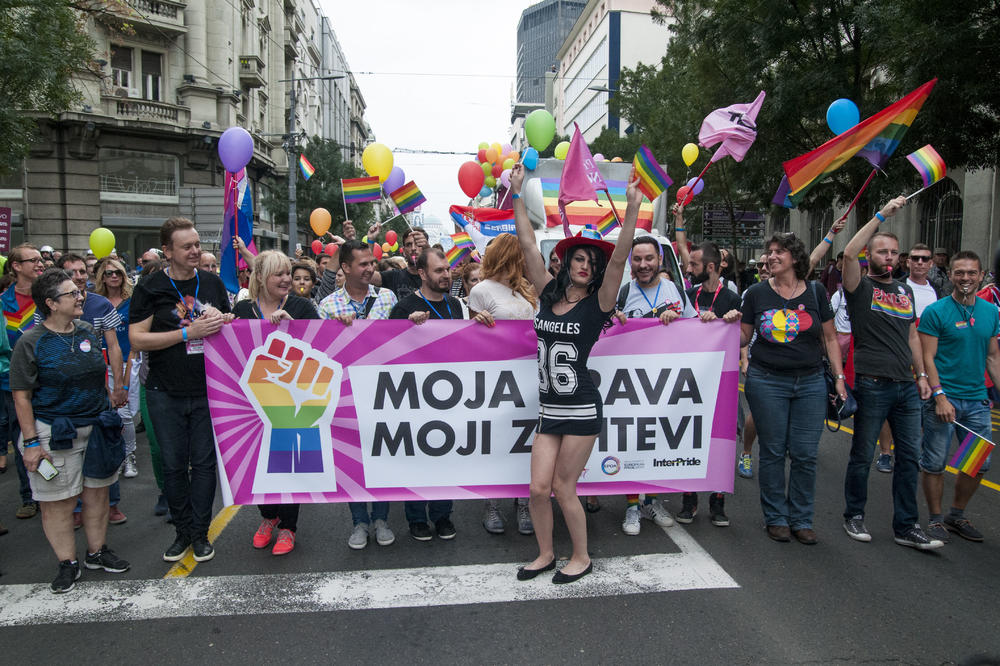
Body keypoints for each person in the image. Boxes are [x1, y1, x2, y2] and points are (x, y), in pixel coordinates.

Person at [509, 162, 638, 584]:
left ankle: (580, 556)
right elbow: (527, 245)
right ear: (566, 263)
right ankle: (546, 553)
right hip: (549, 407)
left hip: (581, 407)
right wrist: (516, 194)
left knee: (565, 488)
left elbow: (619, 257)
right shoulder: (547, 292)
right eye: (578, 258)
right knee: (535, 491)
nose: (585, 264)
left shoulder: (598, 303)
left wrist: (633, 209)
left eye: (590, 261)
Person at [11, 268, 131, 593]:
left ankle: (96, 552)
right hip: (53, 433)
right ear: (51, 303)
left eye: (79, 292)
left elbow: (97, 375)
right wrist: (32, 443)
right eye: (72, 294)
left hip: (95, 428)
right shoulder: (31, 342)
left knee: (97, 494)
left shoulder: (88, 331)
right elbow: (21, 396)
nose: (81, 296)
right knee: (58, 502)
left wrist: (108, 411)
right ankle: (67, 562)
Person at [839, 198, 941, 550]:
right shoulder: (860, 286)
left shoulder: (904, 291)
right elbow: (849, 254)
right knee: (863, 454)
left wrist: (924, 376)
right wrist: (881, 216)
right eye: (882, 251)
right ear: (871, 254)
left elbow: (912, 335)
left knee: (909, 457)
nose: (889, 257)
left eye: (894, 252)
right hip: (872, 384)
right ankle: (853, 515)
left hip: (906, 388)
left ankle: (906, 525)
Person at [130, 217, 232, 563]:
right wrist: (188, 334)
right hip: (164, 390)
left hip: (208, 389)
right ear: (168, 251)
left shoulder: (213, 283)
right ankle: (182, 532)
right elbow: (137, 338)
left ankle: (200, 534)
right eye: (186, 246)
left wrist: (223, 320)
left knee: (203, 465)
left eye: (197, 244)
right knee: (174, 465)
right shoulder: (151, 287)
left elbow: (228, 328)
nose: (195, 250)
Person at [740, 232, 845, 545]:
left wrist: (839, 378)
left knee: (804, 454)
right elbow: (743, 337)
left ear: (795, 259)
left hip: (811, 383)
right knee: (772, 451)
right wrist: (721, 324)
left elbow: (829, 339)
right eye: (769, 252)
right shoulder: (757, 293)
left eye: (779, 252)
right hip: (766, 380)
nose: (771, 257)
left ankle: (801, 519)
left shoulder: (815, 293)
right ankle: (776, 518)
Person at [233, 251, 318, 555]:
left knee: (288, 463)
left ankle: (288, 527)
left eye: (288, 273)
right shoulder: (243, 309)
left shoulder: (302, 306)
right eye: (278, 274)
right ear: (260, 278)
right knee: (257, 463)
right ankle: (268, 517)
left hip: (291, 400)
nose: (286, 280)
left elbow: (320, 347)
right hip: (253, 402)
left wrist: (292, 327)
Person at [613, 234, 697, 534]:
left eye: (649, 259)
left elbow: (695, 327)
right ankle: (633, 506)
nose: (643, 264)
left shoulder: (674, 289)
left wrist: (682, 320)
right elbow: (607, 336)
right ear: (631, 263)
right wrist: (617, 321)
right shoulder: (623, 294)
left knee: (657, 443)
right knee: (633, 443)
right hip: (631, 386)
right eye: (637, 259)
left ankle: (652, 501)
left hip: (666, 384)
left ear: (659, 260)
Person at [318, 240, 398, 549]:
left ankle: (381, 518)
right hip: (346, 396)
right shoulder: (328, 307)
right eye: (362, 264)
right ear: (346, 268)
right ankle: (359, 522)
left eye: (371, 263)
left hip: (385, 393)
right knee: (352, 460)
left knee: (382, 457)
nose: (369, 268)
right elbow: (321, 352)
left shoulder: (388, 299)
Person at [919, 250, 1000, 543]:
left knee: (976, 464)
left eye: (971, 273)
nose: (965, 278)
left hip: (977, 401)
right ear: (950, 275)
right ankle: (936, 518)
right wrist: (939, 397)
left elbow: (993, 357)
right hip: (943, 400)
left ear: (981, 276)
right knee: (935, 462)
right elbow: (928, 358)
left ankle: (957, 514)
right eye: (959, 272)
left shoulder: (991, 312)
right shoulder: (936, 312)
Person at [388, 247, 467, 541]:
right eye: (438, 270)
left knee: (445, 457)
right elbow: (387, 351)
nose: (445, 275)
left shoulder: (455, 306)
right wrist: (408, 328)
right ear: (422, 274)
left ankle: (443, 515)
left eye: (447, 269)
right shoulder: (403, 307)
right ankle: (417, 518)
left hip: (449, 397)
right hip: (414, 398)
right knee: (417, 459)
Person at [466, 233, 538, 536]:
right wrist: (476, 322)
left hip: (528, 377)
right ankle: (492, 502)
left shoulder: (523, 290)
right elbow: (469, 339)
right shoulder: (481, 290)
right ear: (509, 256)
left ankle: (524, 502)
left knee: (526, 442)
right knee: (495, 442)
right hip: (495, 379)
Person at [672, 241, 744, 527]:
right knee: (689, 437)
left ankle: (718, 502)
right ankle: (689, 501)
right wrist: (674, 318)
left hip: (721, 382)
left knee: (719, 439)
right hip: (691, 381)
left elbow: (742, 339)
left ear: (711, 268)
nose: (688, 269)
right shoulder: (688, 295)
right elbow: (677, 331)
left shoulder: (732, 300)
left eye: (694, 265)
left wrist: (731, 322)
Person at [57, 254, 129, 526]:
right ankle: (76, 507)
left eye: (82, 271)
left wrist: (118, 385)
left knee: (105, 445)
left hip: (99, 389)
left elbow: (113, 347)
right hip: (65, 395)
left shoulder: (100, 305)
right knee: (70, 451)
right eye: (72, 273)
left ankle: (111, 505)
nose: (79, 277)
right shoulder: (48, 307)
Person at [2, 244, 46, 519]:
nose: (40, 265)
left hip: (47, 379)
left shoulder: (49, 298)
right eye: (33, 261)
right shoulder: (2, 303)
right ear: (16, 266)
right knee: (23, 440)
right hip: (12, 383)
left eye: (42, 261)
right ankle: (28, 495)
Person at [95, 258, 140, 480]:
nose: (114, 276)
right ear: (102, 277)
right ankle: (114, 455)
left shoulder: (131, 302)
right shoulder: (93, 302)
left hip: (125, 361)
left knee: (125, 413)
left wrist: (129, 364)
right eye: (109, 273)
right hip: (98, 365)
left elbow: (135, 337)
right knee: (107, 413)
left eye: (118, 273)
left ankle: (129, 455)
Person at [737, 253, 769, 479]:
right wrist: (745, 360)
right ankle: (746, 453)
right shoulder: (752, 294)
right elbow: (743, 332)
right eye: (760, 264)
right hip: (758, 362)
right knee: (758, 413)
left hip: (788, 367)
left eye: (768, 264)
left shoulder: (796, 289)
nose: (764, 268)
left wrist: (829, 236)